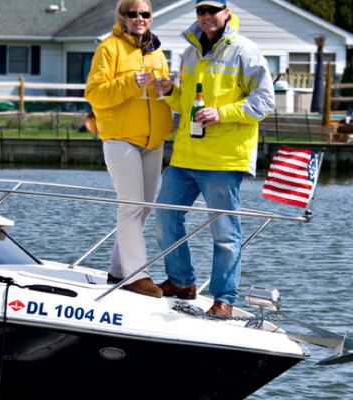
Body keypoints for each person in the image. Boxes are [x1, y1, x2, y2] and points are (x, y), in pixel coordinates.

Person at [153, 0, 275, 317]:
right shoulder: (190, 51)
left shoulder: (245, 50)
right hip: (185, 155)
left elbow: (264, 102)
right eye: (201, 11)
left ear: (227, 13)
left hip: (223, 160)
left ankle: (225, 299)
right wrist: (168, 90)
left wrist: (222, 113)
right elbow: (184, 103)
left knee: (224, 233)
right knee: (165, 218)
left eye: (213, 10)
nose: (206, 16)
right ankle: (181, 282)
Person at [85, 0, 173, 298]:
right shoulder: (108, 49)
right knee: (131, 206)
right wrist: (129, 82)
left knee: (144, 208)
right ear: (122, 16)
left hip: (153, 141)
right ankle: (137, 275)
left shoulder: (157, 51)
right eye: (133, 13)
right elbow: (94, 94)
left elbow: (167, 92)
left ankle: (118, 271)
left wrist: (168, 88)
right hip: (121, 139)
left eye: (145, 14)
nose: (139, 18)